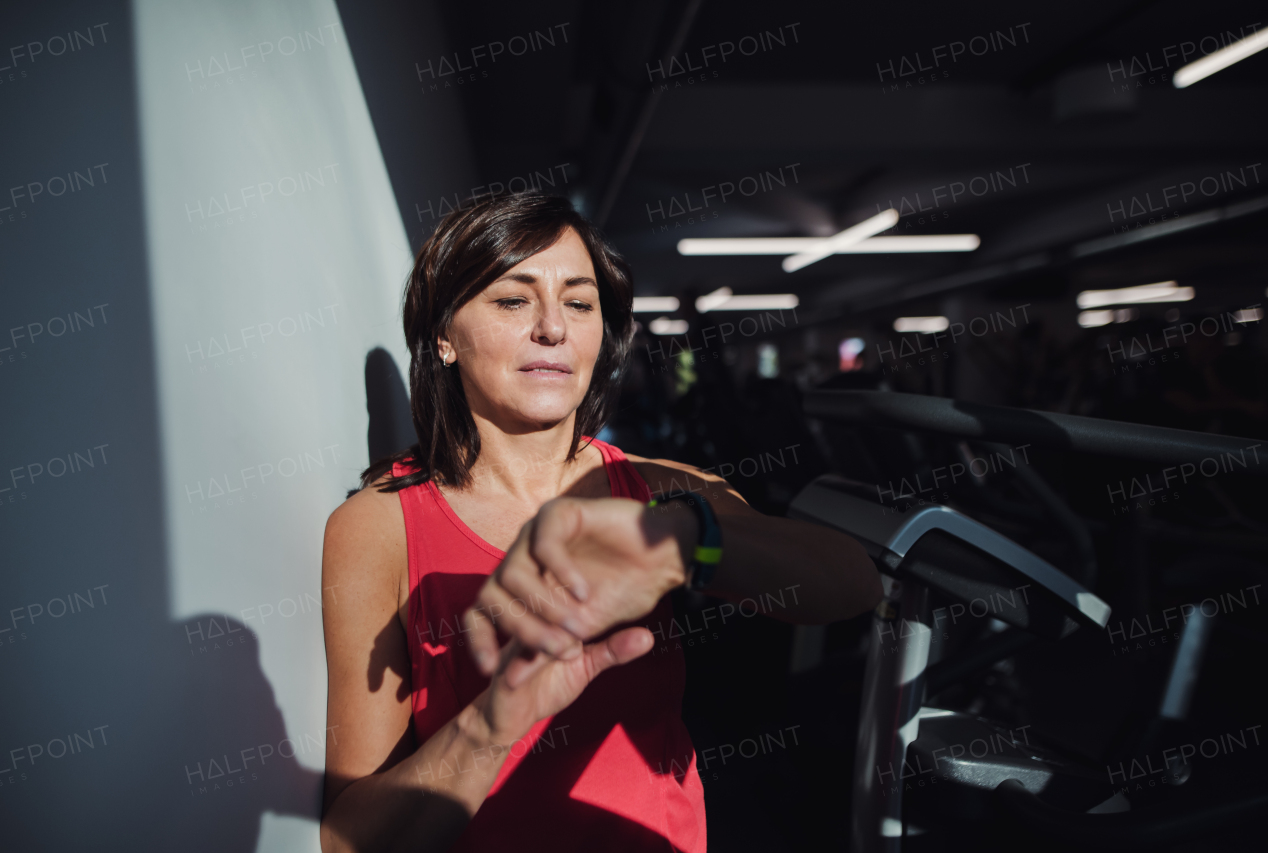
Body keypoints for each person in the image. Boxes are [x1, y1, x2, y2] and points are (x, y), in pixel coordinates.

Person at [318, 192, 882, 853]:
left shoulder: (659, 488)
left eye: (579, 302)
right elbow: (351, 840)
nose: (554, 327)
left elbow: (852, 580)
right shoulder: (380, 525)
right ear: (444, 335)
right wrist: (497, 718)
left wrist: (686, 541)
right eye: (513, 299)